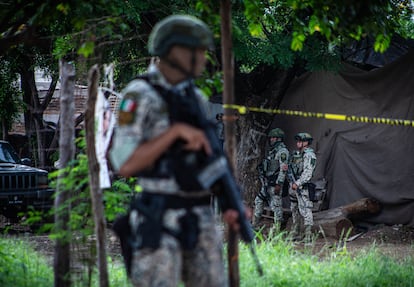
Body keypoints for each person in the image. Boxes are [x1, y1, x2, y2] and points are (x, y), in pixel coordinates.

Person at [109, 14, 243, 287]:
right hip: (159, 218)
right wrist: (173, 133)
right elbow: (123, 163)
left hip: (200, 217)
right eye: (199, 51)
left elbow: (205, 159)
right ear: (175, 51)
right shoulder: (138, 95)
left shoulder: (196, 98)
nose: (205, 58)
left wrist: (230, 200)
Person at [254, 128, 289, 231]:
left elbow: (283, 170)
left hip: (275, 183)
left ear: (279, 139)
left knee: (276, 206)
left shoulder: (283, 152)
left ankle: (277, 228)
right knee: (258, 200)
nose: (271, 139)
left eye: (273, 138)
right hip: (268, 183)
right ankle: (255, 224)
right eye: (271, 137)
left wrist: (279, 183)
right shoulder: (273, 151)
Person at [288, 132, 317, 244]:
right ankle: (297, 232)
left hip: (302, 187)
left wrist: (298, 183)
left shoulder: (309, 155)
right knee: (295, 209)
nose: (298, 143)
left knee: (306, 210)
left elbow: (308, 173)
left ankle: (308, 235)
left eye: (300, 141)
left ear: (306, 143)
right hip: (294, 187)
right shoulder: (297, 155)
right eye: (298, 140)